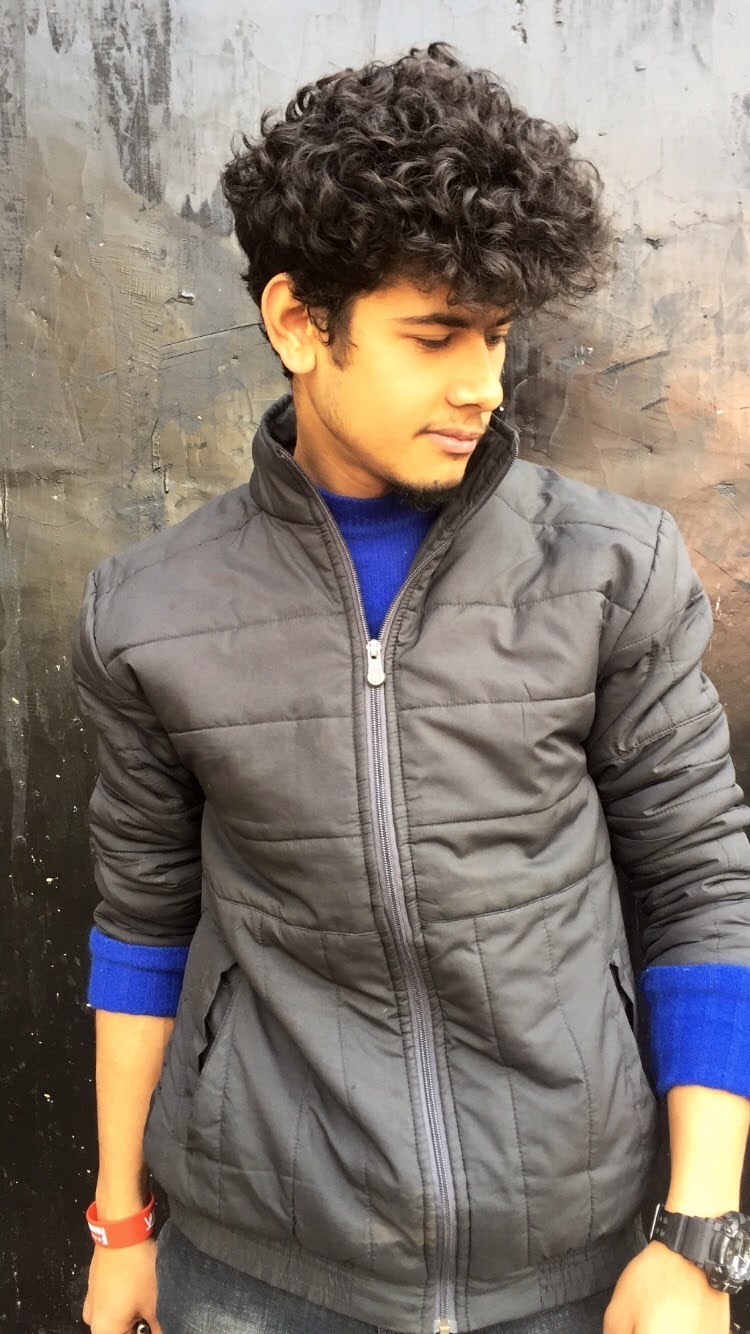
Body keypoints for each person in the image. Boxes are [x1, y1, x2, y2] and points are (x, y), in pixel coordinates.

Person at [75, 41, 750, 1334]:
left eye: (495, 335)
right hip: (259, 1272)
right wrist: (119, 1222)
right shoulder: (150, 610)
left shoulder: (610, 570)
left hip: (576, 1269)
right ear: (297, 323)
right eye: (434, 335)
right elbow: (142, 924)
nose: (482, 383)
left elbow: (700, 886)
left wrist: (697, 1236)